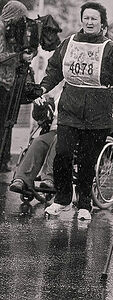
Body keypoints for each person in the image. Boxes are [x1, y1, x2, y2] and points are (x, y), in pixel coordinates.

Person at [40, 2, 113, 220]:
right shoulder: (69, 43)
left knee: (87, 160)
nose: (90, 22)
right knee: (62, 154)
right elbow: (55, 69)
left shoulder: (112, 49)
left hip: (98, 114)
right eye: (87, 18)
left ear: (102, 23)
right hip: (69, 110)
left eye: (94, 19)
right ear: (81, 20)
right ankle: (62, 199)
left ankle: (84, 203)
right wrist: (44, 87)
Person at [9, 82, 63, 193]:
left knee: (59, 140)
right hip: (54, 130)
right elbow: (44, 116)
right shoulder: (60, 93)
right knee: (39, 141)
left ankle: (49, 178)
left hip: (71, 132)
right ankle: (22, 178)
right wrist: (40, 107)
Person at [0, 1, 35, 172]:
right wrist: (20, 56)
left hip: (8, 82)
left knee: (7, 122)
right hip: (2, 82)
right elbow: (1, 56)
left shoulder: (10, 29)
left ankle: (4, 159)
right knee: (3, 122)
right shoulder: (0, 28)